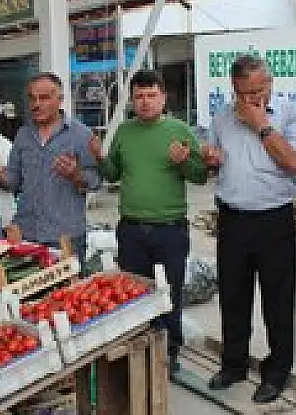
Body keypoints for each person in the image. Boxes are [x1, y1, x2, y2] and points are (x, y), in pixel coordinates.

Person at [201, 55, 296, 403]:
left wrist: (261, 124)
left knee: (277, 301)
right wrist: (211, 160)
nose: (250, 99)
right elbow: (215, 164)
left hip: (274, 220)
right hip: (232, 219)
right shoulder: (222, 117)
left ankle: (277, 371)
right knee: (233, 297)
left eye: (256, 91)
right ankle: (233, 364)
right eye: (242, 93)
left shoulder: (292, 114)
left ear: (269, 84)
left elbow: (292, 162)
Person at [89, 69, 208, 374]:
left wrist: (185, 162)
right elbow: (113, 175)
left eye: (151, 95)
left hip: (170, 230)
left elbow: (200, 175)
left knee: (170, 293)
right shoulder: (125, 132)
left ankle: (171, 351)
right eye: (139, 96)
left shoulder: (180, 130)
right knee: (134, 294)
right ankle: (139, 351)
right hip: (131, 230)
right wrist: (100, 158)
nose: (145, 102)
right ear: (132, 100)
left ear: (163, 97)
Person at [0, 72, 100, 269]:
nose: (36, 104)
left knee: (68, 288)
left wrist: (76, 175)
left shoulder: (81, 135)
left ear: (60, 100)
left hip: (65, 238)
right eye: (32, 98)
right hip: (27, 235)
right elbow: (14, 181)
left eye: (44, 98)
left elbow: (96, 182)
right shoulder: (23, 135)